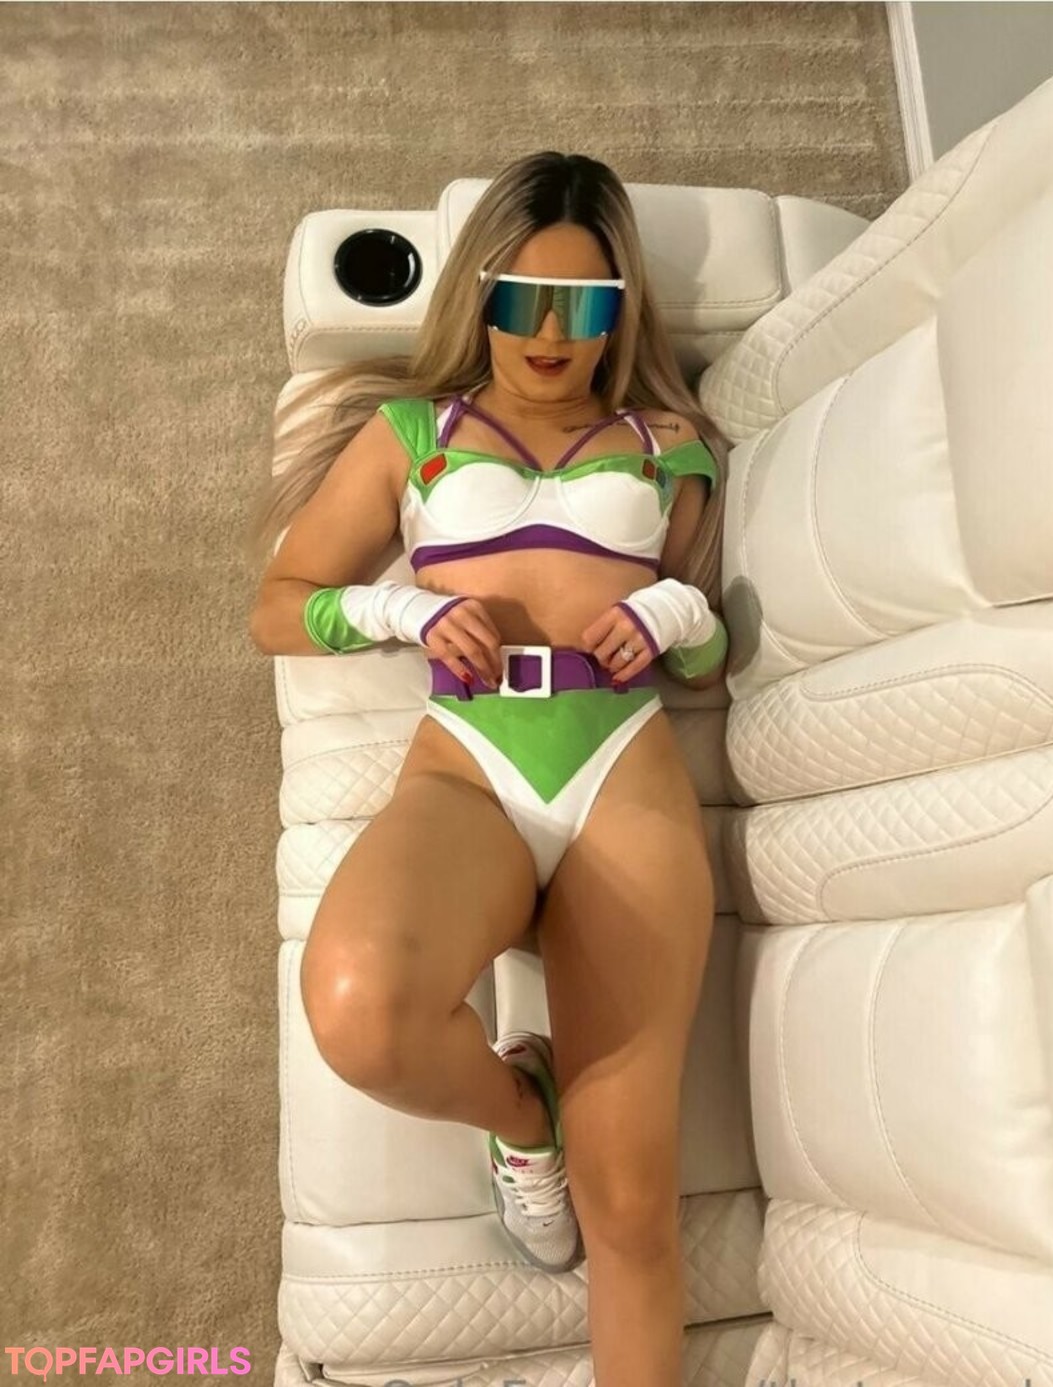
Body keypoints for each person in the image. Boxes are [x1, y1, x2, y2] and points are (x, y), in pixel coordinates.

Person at [246, 151, 730, 1387]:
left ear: (621, 309)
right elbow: (278, 606)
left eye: (584, 303)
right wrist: (395, 612)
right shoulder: (413, 433)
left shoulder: (669, 445)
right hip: (467, 763)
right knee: (359, 1011)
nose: (551, 334)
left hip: (622, 766)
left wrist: (675, 615)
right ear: (483, 296)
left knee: (632, 1207)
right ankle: (525, 1112)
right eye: (523, 299)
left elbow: (708, 648)